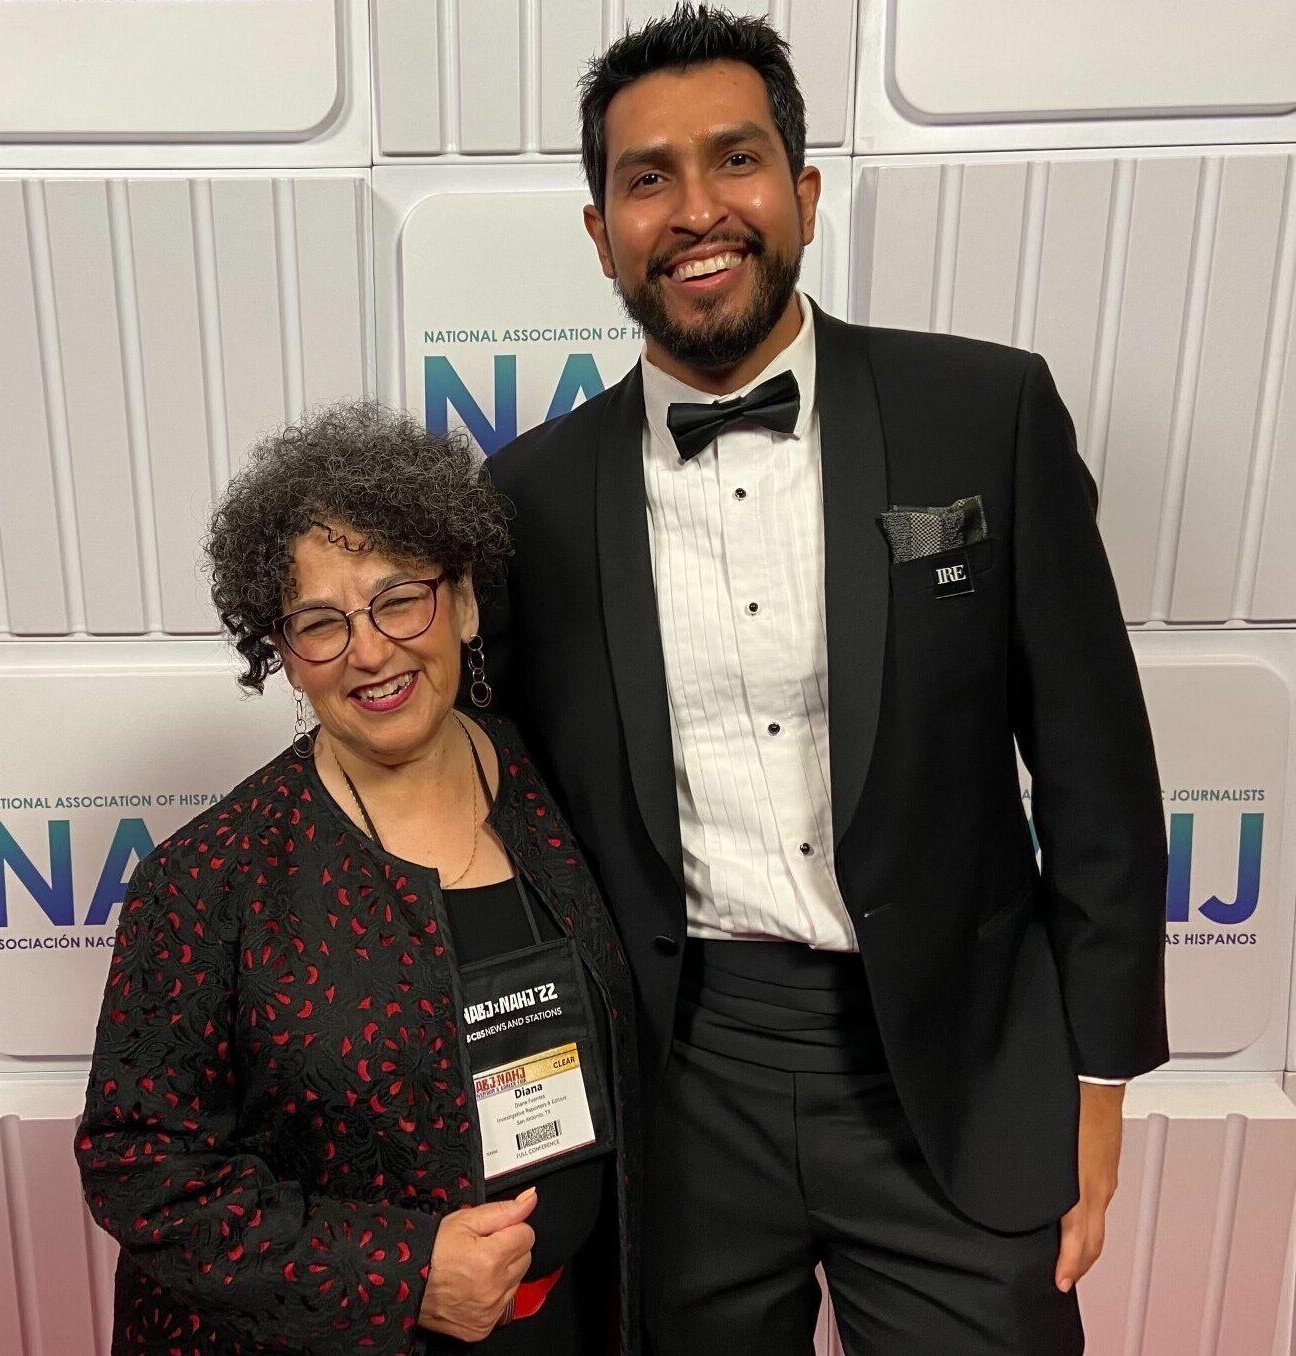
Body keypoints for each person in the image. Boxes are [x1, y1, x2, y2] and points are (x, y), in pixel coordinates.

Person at [479, 6, 1168, 1354]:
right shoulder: (528, 500)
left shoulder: (985, 412)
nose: (695, 211)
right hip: (675, 1088)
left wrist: (1100, 1080)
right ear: (599, 231)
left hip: (958, 1075)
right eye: (645, 179)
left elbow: (1094, 771)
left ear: (800, 192)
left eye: (734, 162)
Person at [75, 403, 639, 1356]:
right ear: (282, 654)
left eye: (398, 599)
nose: (370, 651)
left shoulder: (557, 788)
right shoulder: (210, 878)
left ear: (460, 601)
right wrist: (404, 1273)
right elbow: (139, 1163)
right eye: (320, 623)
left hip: (572, 1324)